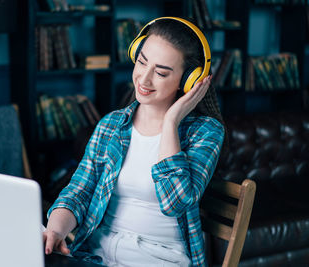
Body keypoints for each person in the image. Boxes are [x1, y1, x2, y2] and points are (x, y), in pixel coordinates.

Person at [43, 17, 226, 267]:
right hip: (96, 255)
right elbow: (79, 191)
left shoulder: (206, 132)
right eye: (141, 62)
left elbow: (175, 203)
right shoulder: (111, 124)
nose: (144, 78)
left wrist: (171, 122)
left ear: (189, 81)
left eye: (161, 72)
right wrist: (55, 230)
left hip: (160, 259)